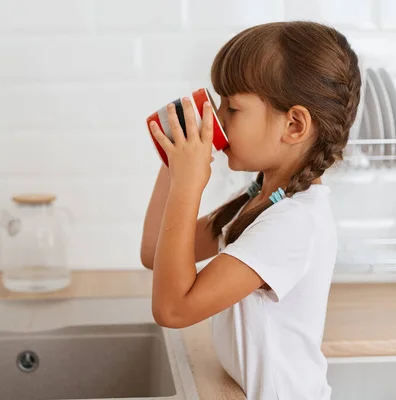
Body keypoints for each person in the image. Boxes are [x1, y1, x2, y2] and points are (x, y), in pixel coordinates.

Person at [141, 21, 361, 400]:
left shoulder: (293, 223)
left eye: (233, 107)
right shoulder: (263, 196)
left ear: (293, 125)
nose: (219, 119)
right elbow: (153, 253)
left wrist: (188, 184)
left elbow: (173, 310)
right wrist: (175, 158)